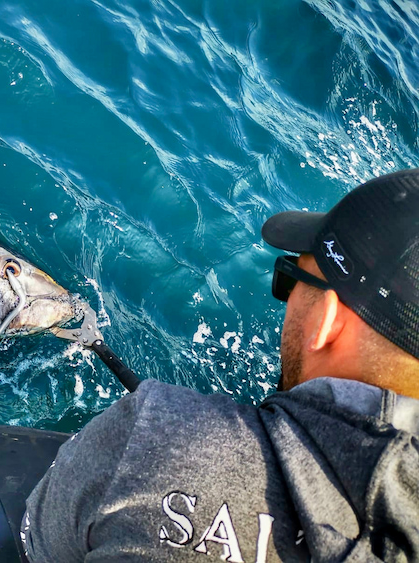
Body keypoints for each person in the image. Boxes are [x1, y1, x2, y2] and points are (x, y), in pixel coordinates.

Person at [21, 169, 419, 562]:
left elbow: (34, 543)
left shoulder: (157, 435)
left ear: (326, 322)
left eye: (289, 278)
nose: (288, 297)